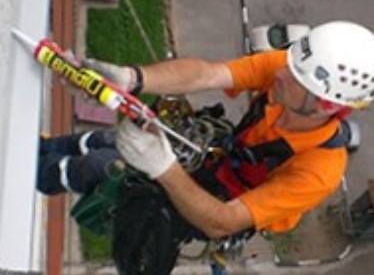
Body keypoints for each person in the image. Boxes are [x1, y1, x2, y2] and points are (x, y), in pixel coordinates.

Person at [38, 21, 374, 274]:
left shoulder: (319, 171)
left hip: (218, 205)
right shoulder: (290, 74)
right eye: (289, 62)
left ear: (325, 105)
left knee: (101, 168)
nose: (280, 72)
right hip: (218, 161)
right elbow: (208, 75)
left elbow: (224, 221)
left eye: (297, 77)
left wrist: (163, 168)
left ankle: (32, 171)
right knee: (106, 141)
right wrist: (133, 79)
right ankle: (42, 151)